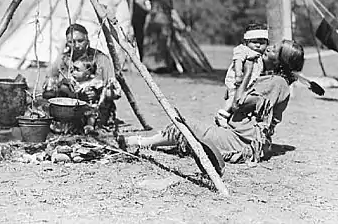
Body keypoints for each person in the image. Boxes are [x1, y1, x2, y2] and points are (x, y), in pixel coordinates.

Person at [118, 40, 305, 175]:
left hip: (243, 144)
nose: (270, 47)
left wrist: (247, 71)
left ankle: (139, 143)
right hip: (238, 136)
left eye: (276, 50)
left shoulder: (276, 83)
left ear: (281, 62)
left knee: (185, 125)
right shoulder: (271, 79)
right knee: (192, 130)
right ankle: (148, 142)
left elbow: (239, 102)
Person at [43, 23, 121, 129]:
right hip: (69, 108)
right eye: (71, 42)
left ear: (87, 41)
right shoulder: (63, 60)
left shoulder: (100, 59)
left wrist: (98, 92)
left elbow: (112, 88)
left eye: (80, 41)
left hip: (96, 109)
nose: (76, 45)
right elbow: (49, 85)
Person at [216, 23, 269, 127]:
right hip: (236, 80)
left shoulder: (260, 55)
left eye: (262, 43)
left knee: (244, 99)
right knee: (233, 97)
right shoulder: (243, 50)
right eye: (254, 42)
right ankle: (222, 114)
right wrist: (238, 74)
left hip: (249, 82)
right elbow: (238, 61)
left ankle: (237, 117)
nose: (258, 45)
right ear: (246, 42)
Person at [135, 0, 176, 72]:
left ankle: (161, 66)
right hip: (154, 22)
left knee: (162, 44)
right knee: (151, 43)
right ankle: (150, 66)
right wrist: (149, 10)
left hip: (165, 22)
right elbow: (139, 1)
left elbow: (170, 10)